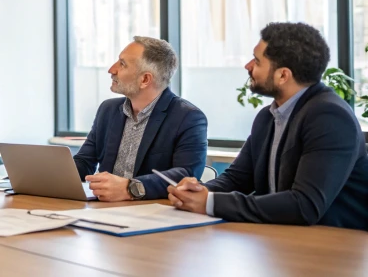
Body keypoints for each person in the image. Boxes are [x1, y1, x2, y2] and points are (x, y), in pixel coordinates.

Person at [168, 23, 368, 230]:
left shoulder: (329, 117)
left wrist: (210, 203)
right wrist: (196, 193)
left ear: (283, 76)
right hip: (279, 238)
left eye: (257, 61)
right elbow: (237, 179)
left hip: (332, 242)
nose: (248, 66)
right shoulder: (268, 117)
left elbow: (304, 205)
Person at [73, 37, 208, 201]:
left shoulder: (188, 117)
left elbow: (186, 174)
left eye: (122, 64)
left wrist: (130, 188)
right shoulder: (108, 110)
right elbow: (84, 161)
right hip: (103, 206)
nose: (111, 69)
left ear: (145, 79)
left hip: (153, 210)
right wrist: (52, 174)